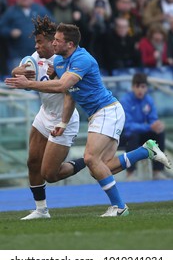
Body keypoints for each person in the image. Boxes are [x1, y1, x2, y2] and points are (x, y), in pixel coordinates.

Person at [5, 23, 171, 217]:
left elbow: (63, 86)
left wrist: (30, 84)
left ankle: (119, 207)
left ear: (69, 44)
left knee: (91, 159)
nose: (53, 43)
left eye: (57, 40)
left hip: (107, 110)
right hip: (94, 114)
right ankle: (145, 151)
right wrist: (62, 122)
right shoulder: (59, 61)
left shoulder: (82, 59)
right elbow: (69, 95)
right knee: (101, 167)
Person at [11, 17, 86, 220]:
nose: (36, 46)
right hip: (44, 114)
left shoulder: (67, 60)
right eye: (35, 42)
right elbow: (21, 70)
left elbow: (67, 90)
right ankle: (41, 210)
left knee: (50, 175)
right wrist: (19, 72)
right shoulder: (36, 56)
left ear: (53, 41)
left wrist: (56, 75)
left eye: (39, 42)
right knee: (32, 161)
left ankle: (85, 160)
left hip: (65, 118)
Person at [120, 72, 169, 181]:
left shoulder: (149, 100)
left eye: (143, 87)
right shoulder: (125, 101)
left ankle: (157, 171)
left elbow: (153, 120)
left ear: (146, 88)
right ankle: (130, 173)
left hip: (142, 133)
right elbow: (128, 126)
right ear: (133, 87)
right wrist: (149, 127)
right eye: (137, 86)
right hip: (126, 135)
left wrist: (157, 125)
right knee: (133, 135)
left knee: (159, 133)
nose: (140, 90)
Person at [0, 0, 53, 74]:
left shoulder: (40, 9)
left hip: (39, 55)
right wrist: (10, 32)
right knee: (18, 80)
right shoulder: (11, 11)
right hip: (17, 55)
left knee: (37, 79)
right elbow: (1, 27)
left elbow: (52, 24)